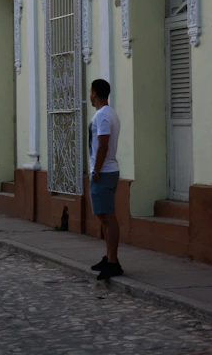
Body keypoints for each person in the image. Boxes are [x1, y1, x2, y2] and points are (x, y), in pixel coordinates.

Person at [88, 79, 123, 280]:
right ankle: (109, 256)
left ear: (94, 93)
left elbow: (102, 144)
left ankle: (113, 262)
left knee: (108, 217)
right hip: (107, 170)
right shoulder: (110, 113)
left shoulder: (102, 116)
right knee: (103, 216)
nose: (90, 95)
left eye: (90, 91)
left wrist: (96, 170)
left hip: (104, 171)